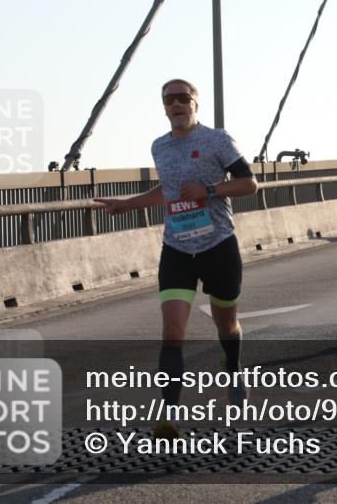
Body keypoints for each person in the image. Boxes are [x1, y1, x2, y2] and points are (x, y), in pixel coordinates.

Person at [94, 79, 258, 440]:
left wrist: (209, 190)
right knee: (172, 332)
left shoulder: (217, 140)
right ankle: (168, 416)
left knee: (226, 325)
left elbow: (249, 183)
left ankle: (232, 367)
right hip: (178, 250)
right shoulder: (160, 147)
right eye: (170, 99)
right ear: (164, 107)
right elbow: (166, 191)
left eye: (184, 98)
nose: (177, 104)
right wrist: (127, 204)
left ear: (196, 104)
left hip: (218, 246)